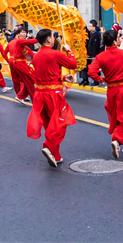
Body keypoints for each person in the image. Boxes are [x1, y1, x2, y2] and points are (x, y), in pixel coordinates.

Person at [27, 28, 77, 167]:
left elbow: (44, 75)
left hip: (40, 94)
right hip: (53, 95)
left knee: (50, 124)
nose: (54, 38)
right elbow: (73, 64)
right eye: (53, 36)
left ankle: (56, 155)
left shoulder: (36, 56)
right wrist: (69, 51)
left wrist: (61, 78)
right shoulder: (55, 53)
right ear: (48, 39)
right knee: (61, 122)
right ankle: (48, 146)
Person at [88, 29, 123, 158]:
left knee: (118, 117)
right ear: (114, 41)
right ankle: (117, 139)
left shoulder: (101, 56)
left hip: (112, 90)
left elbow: (91, 72)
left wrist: (101, 79)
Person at [6, 27, 39, 105]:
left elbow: (30, 52)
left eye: (25, 32)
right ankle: (25, 96)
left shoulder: (22, 43)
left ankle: (21, 95)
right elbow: (31, 42)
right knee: (27, 81)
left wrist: (38, 57)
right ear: (18, 34)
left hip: (20, 63)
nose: (24, 34)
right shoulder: (19, 41)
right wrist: (40, 38)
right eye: (22, 32)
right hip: (19, 63)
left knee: (28, 80)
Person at [81, 20, 101, 86]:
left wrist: (93, 56)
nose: (89, 27)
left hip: (93, 56)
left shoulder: (95, 35)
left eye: (90, 26)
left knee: (94, 69)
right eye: (88, 26)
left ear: (94, 27)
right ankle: (88, 80)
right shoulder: (91, 34)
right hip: (89, 55)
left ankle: (96, 81)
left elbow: (95, 46)